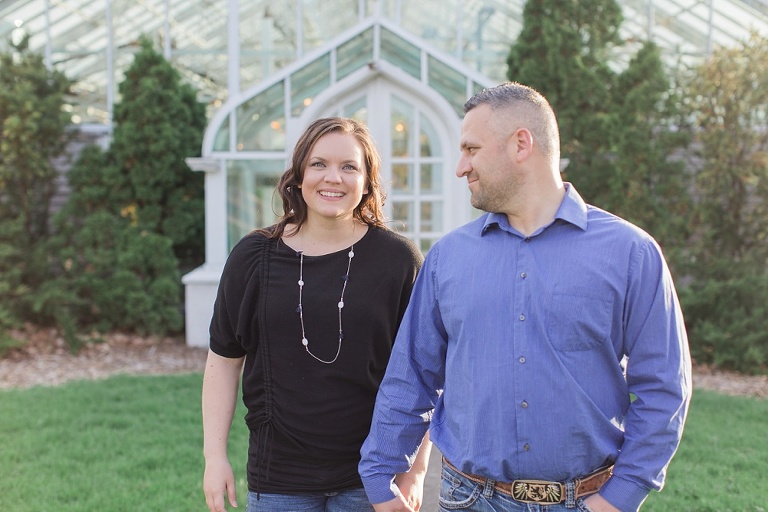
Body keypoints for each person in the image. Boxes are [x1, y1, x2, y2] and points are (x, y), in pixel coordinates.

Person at [359, 82, 692, 512]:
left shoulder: (631, 253)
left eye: (471, 149)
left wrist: (620, 497)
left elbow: (664, 389)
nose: (461, 167)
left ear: (521, 144)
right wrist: (379, 476)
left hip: (587, 502)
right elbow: (412, 376)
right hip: (469, 500)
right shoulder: (448, 258)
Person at [202, 117, 430, 512]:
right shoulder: (254, 256)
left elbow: (424, 370)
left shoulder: (398, 260)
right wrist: (214, 457)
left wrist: (416, 471)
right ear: (299, 175)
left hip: (372, 477)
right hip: (278, 480)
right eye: (319, 164)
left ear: (367, 180)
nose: (333, 178)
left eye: (349, 167)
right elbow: (223, 361)